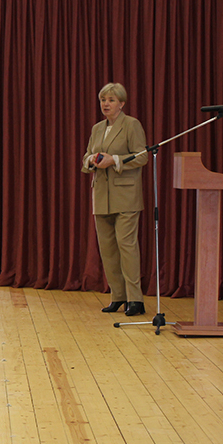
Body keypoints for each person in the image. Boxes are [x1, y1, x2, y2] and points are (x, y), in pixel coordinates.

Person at [82, 82, 148, 316]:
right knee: (108, 249)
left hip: (126, 196)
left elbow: (142, 156)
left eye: (111, 100)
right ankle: (118, 296)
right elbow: (86, 157)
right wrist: (91, 160)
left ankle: (135, 300)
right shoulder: (97, 128)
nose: (106, 104)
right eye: (103, 100)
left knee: (126, 247)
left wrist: (115, 160)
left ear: (121, 104)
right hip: (101, 195)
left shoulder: (132, 125)